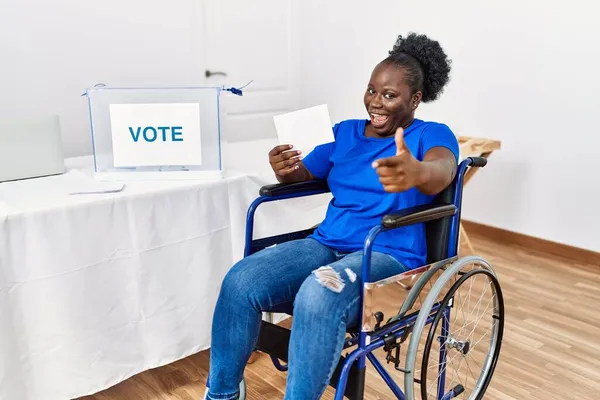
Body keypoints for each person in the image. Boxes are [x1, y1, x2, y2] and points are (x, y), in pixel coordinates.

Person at [205, 32, 459, 400]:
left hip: (388, 255)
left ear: (416, 99)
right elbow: (305, 174)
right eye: (372, 90)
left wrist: (417, 172)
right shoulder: (344, 133)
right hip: (326, 243)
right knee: (240, 282)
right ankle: (222, 394)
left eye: (390, 95)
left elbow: (444, 167)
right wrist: (284, 168)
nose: (377, 102)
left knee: (316, 294)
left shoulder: (430, 134)